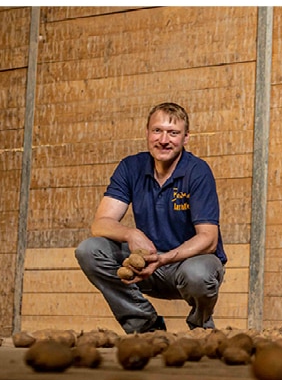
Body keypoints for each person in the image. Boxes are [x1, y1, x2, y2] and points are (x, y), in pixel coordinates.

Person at [75, 102, 228, 334]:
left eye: (173, 133)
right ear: (147, 133)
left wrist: (164, 259)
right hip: (147, 266)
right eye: (157, 130)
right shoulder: (130, 167)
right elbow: (100, 223)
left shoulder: (197, 172)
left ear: (186, 138)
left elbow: (209, 239)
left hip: (187, 266)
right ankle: (145, 325)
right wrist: (131, 233)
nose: (164, 140)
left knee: (199, 274)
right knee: (90, 250)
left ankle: (200, 327)